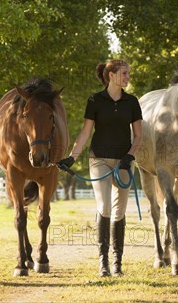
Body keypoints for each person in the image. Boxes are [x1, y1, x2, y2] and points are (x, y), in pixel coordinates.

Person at [57, 59, 143, 277]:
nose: (127, 77)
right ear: (112, 75)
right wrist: (71, 158)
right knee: (104, 207)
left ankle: (117, 263)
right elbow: (86, 132)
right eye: (124, 73)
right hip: (99, 160)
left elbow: (139, 135)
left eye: (128, 73)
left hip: (124, 161)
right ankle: (103, 262)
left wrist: (130, 155)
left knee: (120, 211)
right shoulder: (95, 100)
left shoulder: (132, 102)